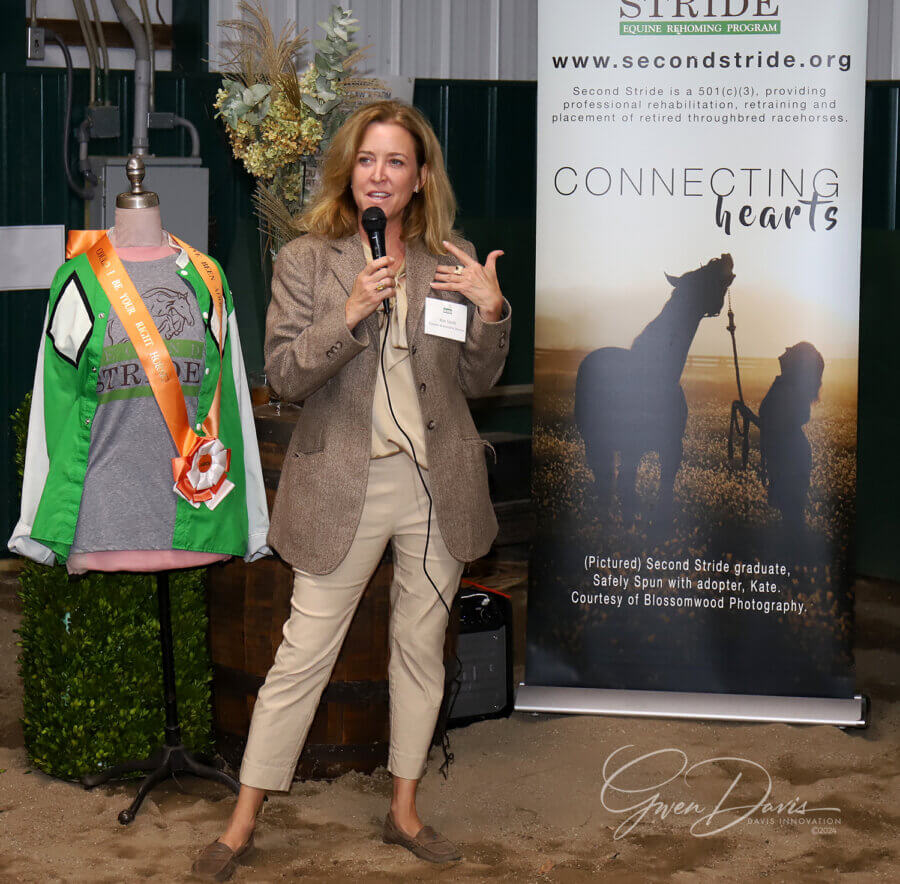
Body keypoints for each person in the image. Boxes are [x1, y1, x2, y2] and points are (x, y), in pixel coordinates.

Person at [193, 99, 510, 879]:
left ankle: (404, 812)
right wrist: (351, 311)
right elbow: (287, 374)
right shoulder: (308, 258)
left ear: (419, 177)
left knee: (418, 651)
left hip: (436, 487)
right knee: (302, 654)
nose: (380, 175)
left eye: (396, 161)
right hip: (344, 483)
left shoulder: (451, 257)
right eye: (368, 160)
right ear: (349, 170)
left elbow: (476, 378)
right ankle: (241, 823)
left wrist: (491, 311)